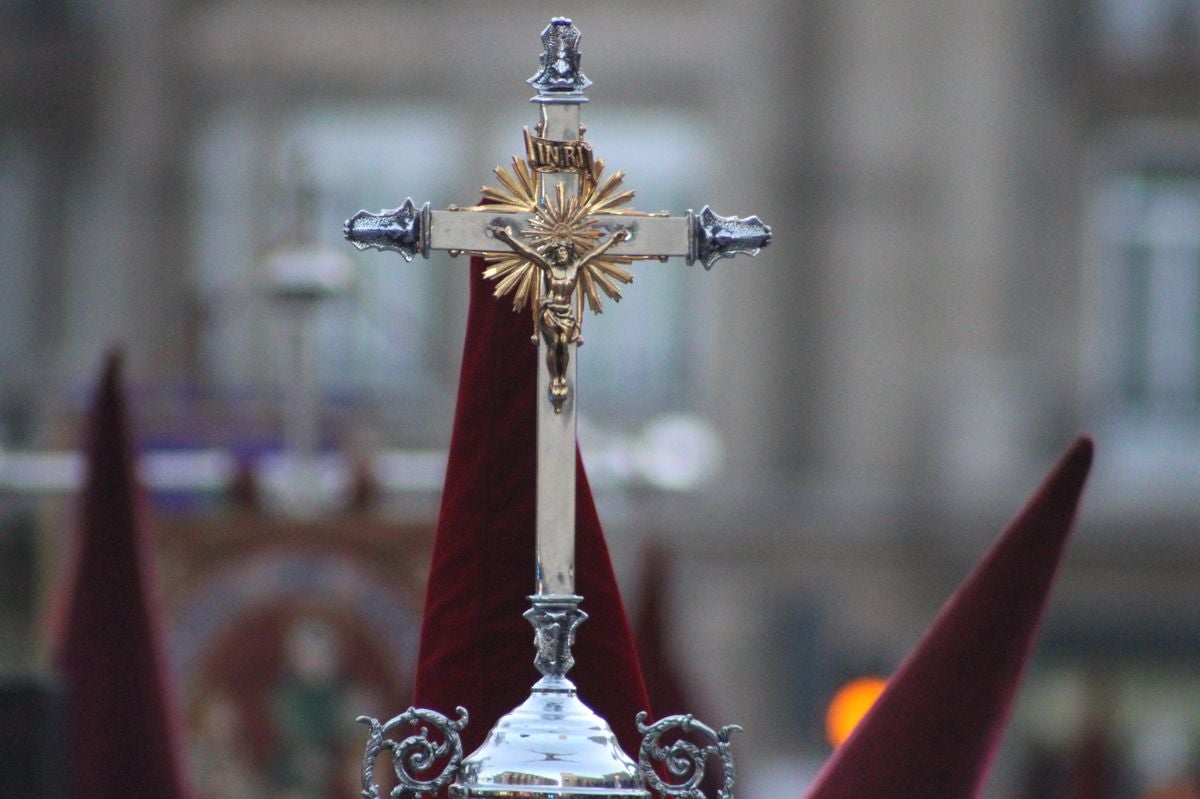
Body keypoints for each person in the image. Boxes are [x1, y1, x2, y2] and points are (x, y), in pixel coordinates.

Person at [487, 223, 629, 412]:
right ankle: (556, 380)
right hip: (550, 313)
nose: (562, 253)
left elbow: (594, 254)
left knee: (563, 343)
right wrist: (506, 238)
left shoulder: (575, 268)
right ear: (555, 252)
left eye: (565, 250)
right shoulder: (548, 268)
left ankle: (560, 378)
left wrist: (612, 240)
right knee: (557, 343)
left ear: (570, 252)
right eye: (559, 250)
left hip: (566, 314)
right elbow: (527, 252)